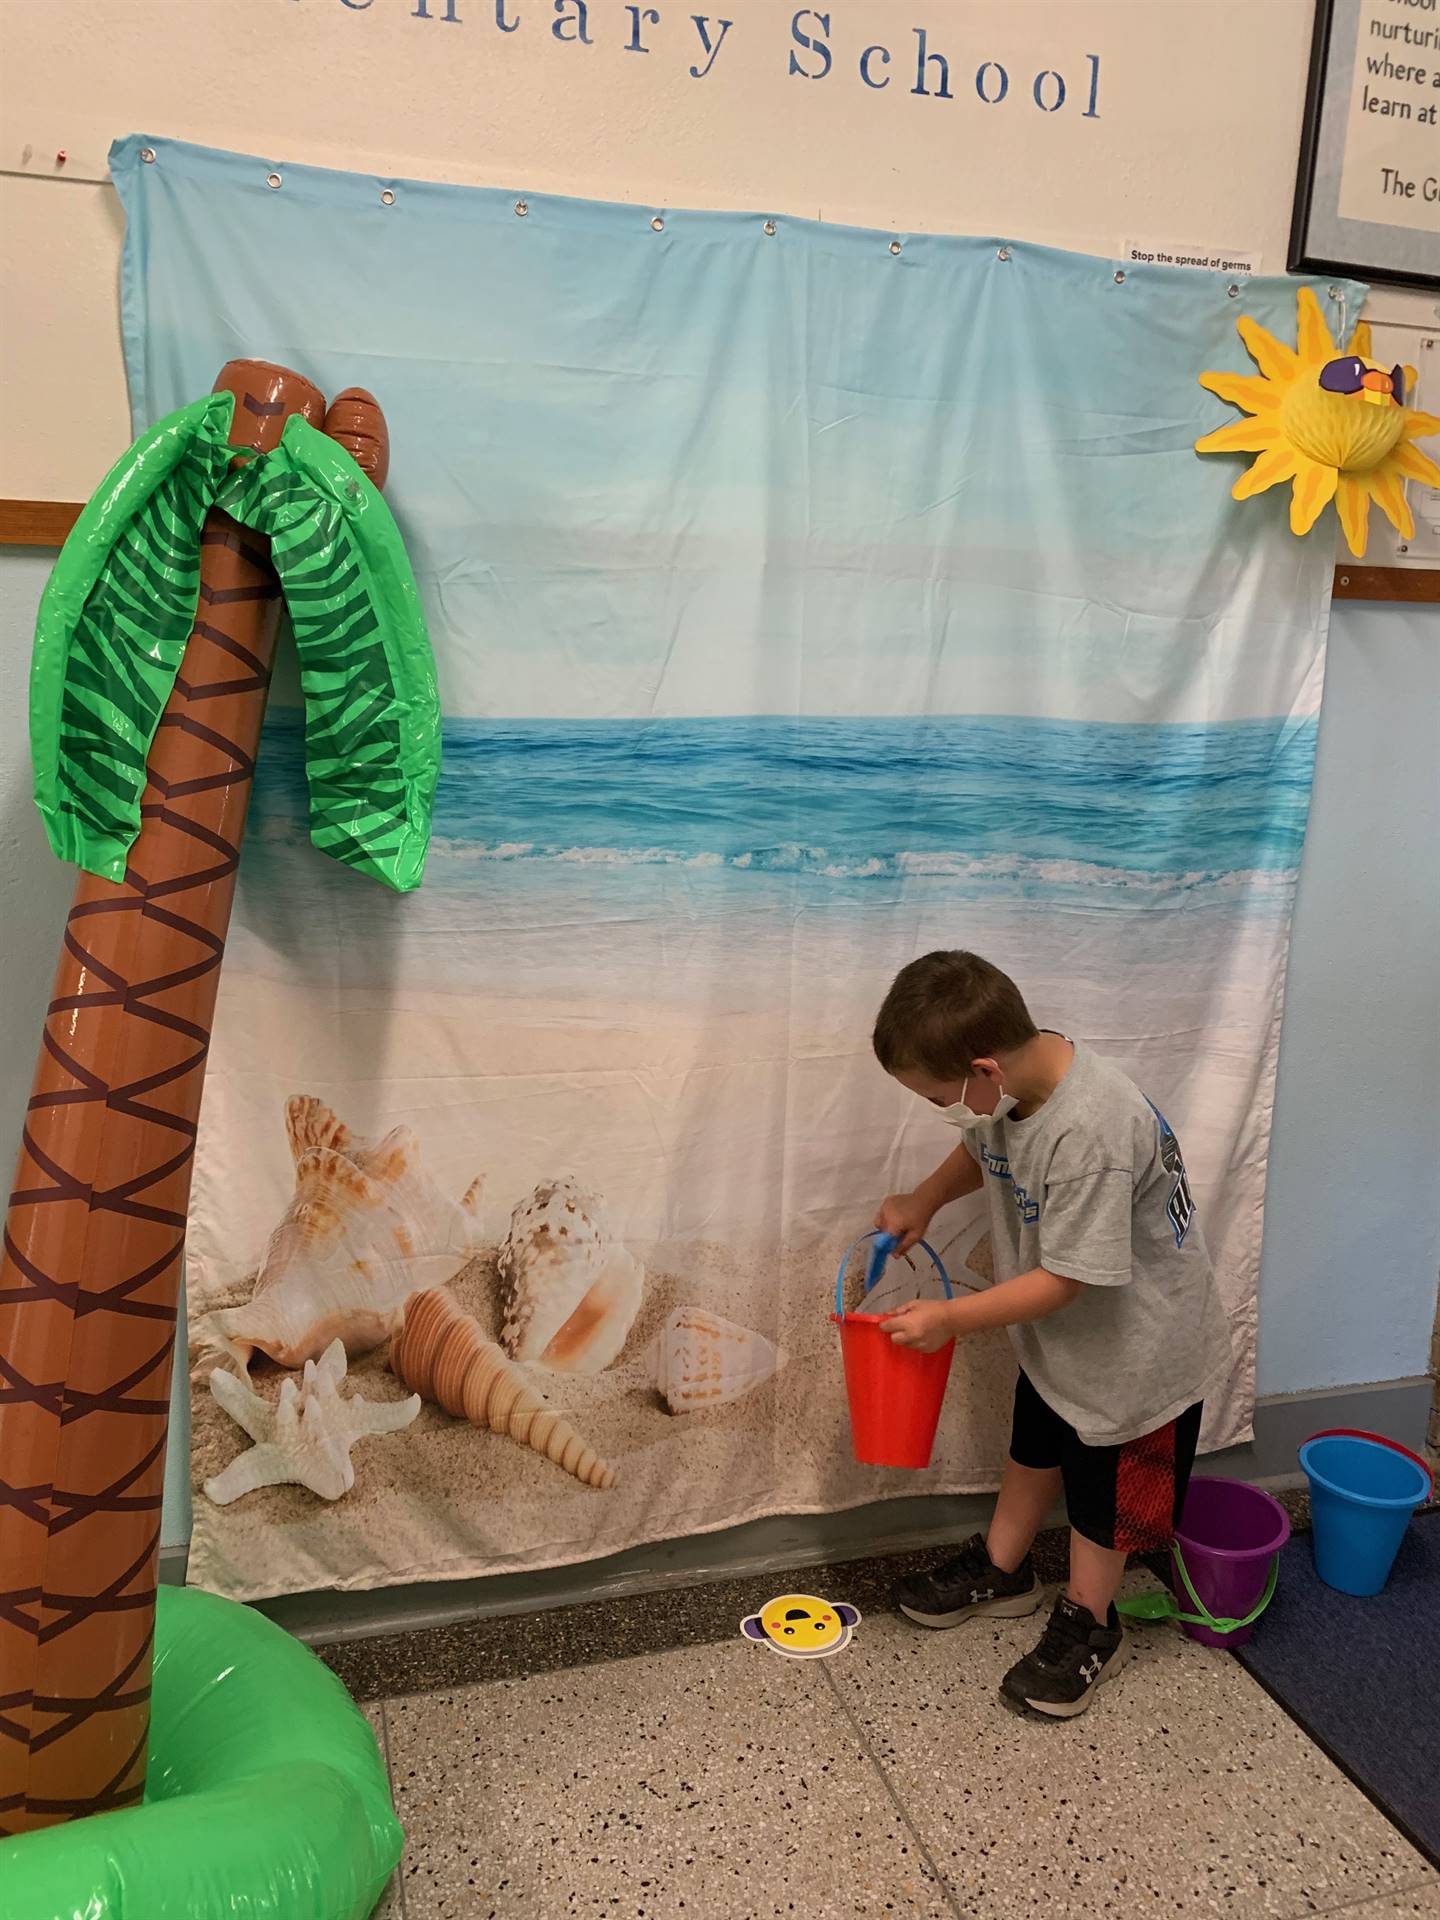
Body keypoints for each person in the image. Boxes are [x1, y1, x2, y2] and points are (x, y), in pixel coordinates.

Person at [869, 950, 1231, 1719]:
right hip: (1069, 1340)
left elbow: (1071, 1278)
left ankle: (1091, 1620)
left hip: (1139, 1355)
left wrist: (948, 1320)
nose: (945, 1110)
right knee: (1034, 1442)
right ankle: (1004, 1570)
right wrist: (924, 1200)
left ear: (983, 1069)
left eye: (940, 1096)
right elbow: (982, 1148)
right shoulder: (1016, 1089)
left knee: (1107, 1496)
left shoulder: (1093, 1129)